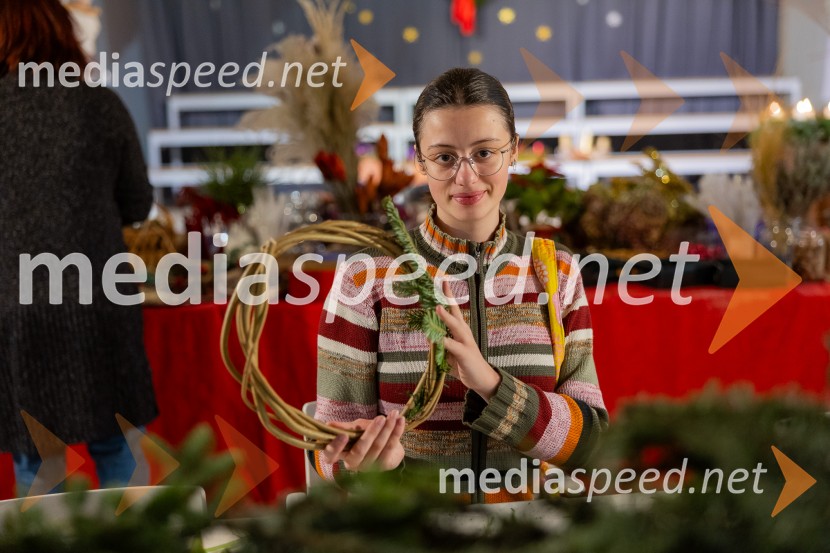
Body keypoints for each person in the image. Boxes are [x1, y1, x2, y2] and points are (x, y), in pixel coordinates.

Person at [313, 67, 608, 503]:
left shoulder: (556, 271)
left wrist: (490, 385)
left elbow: (593, 444)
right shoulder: (368, 276)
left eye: (485, 153)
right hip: (413, 532)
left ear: (513, 152)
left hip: (532, 531)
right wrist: (369, 465)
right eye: (445, 157)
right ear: (420, 161)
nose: (466, 178)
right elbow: (329, 450)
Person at [0, 0, 158, 496]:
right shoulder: (99, 104)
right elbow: (138, 203)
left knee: (37, 464)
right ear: (60, 30)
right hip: (101, 301)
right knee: (121, 453)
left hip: (14, 309)